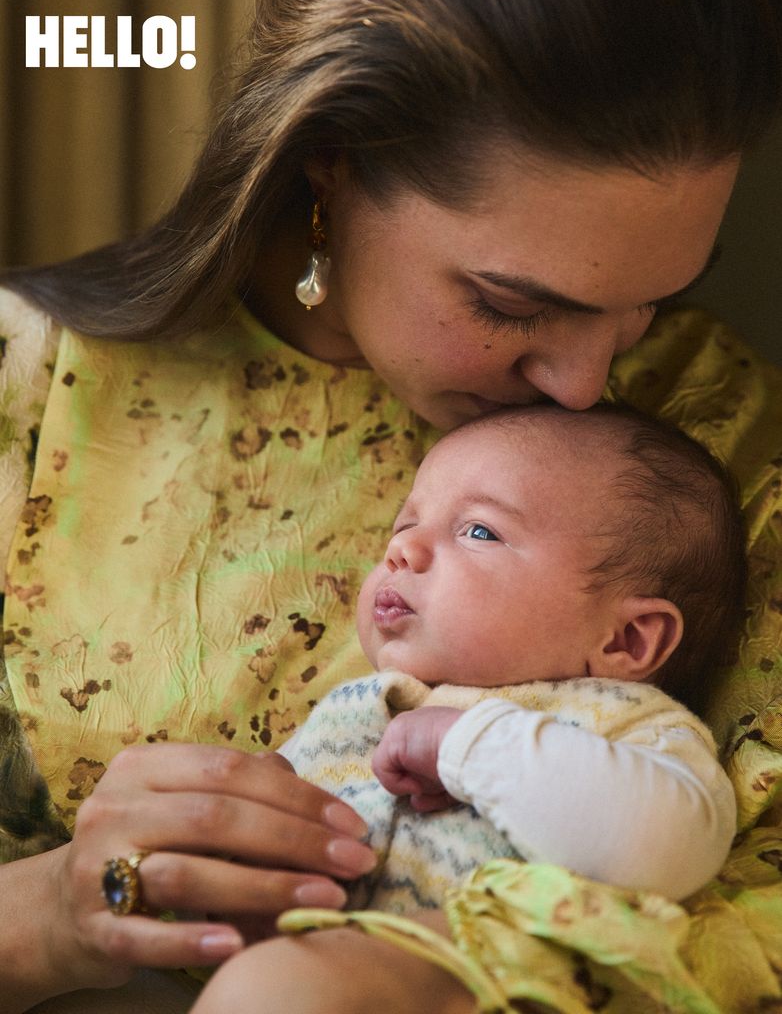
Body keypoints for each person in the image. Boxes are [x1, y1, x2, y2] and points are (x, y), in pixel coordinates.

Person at [0, 0, 781, 1012]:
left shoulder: (715, 439)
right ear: (332, 162)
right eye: (509, 302)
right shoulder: (30, 381)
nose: (589, 384)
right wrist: (56, 915)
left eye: (644, 306)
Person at [190, 400, 745, 1011]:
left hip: (483, 975)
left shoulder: (619, 722)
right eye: (404, 526)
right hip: (316, 952)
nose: (402, 552)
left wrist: (470, 743)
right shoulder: (353, 708)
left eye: (479, 531)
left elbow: (667, 847)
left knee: (275, 990)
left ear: (625, 640)